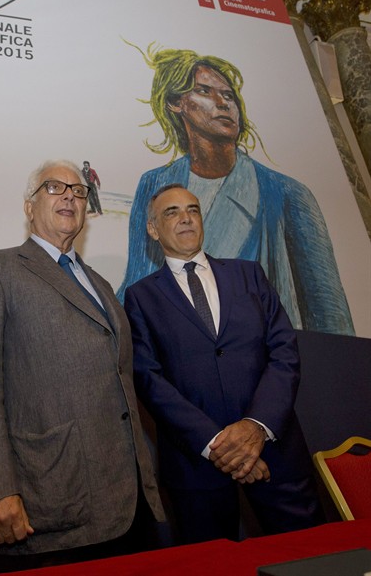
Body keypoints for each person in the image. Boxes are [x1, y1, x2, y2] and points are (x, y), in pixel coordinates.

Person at [0, 160, 164, 568]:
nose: (70, 194)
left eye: (79, 191)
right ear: (29, 206)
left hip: (129, 504)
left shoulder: (99, 283)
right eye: (54, 187)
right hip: (51, 501)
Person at [124, 183, 324, 544]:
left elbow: (284, 353)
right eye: (172, 212)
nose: (185, 218)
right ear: (153, 229)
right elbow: (148, 378)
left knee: (314, 558)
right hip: (197, 466)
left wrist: (255, 428)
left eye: (193, 209)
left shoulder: (249, 275)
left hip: (275, 453)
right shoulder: (140, 298)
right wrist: (220, 444)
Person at [117, 44, 354, 336]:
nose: (222, 102)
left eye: (228, 95)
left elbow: (329, 315)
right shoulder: (153, 184)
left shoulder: (287, 194)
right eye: (204, 91)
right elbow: (136, 281)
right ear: (176, 103)